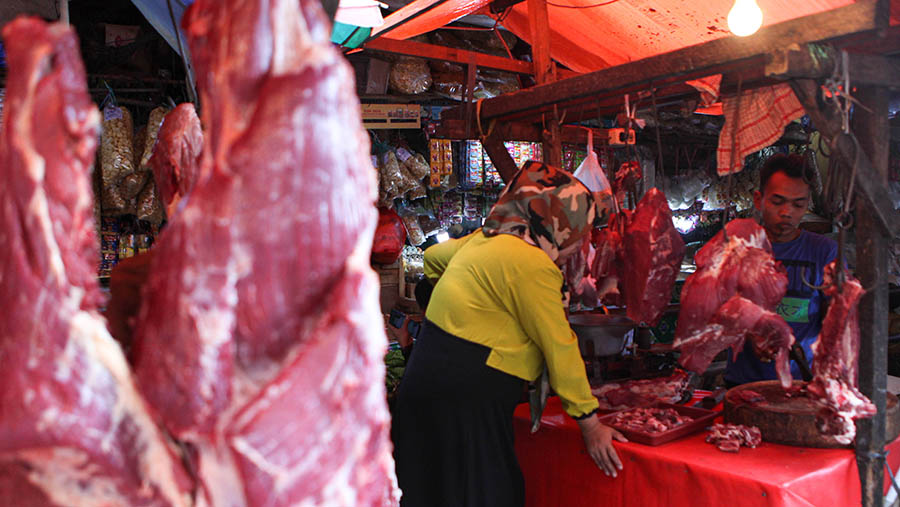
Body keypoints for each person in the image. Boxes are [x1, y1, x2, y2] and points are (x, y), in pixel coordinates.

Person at [391, 161, 626, 507]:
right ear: (557, 222)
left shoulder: (482, 241)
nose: (583, 241)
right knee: (485, 494)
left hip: (425, 384)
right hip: (468, 397)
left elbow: (432, 259)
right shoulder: (531, 264)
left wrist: (470, 304)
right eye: (581, 230)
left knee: (430, 489)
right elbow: (559, 345)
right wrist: (590, 425)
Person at [725, 153, 838, 385]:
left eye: (798, 204)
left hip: (803, 383)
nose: (787, 212)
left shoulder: (823, 252)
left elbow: (837, 317)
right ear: (758, 199)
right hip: (744, 383)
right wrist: (749, 332)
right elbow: (715, 312)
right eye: (778, 202)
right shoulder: (738, 246)